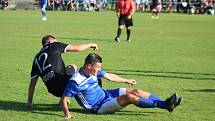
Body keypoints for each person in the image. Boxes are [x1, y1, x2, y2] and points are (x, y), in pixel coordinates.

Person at [61, 53, 183, 119]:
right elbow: (64, 99)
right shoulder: (76, 81)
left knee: (137, 91)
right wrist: (67, 114)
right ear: (88, 66)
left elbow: (109, 76)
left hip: (106, 94)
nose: (99, 70)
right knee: (129, 97)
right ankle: (165, 104)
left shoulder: (93, 72)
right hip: (99, 107)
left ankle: (166, 104)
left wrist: (126, 80)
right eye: (98, 67)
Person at [26, 35, 99, 108]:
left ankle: (62, 99)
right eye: (56, 41)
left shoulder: (36, 58)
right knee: (73, 67)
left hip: (53, 91)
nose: (57, 42)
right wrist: (91, 44)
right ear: (50, 42)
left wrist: (29, 102)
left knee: (67, 70)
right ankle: (92, 99)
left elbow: (32, 83)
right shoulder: (53, 45)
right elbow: (77, 48)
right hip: (63, 84)